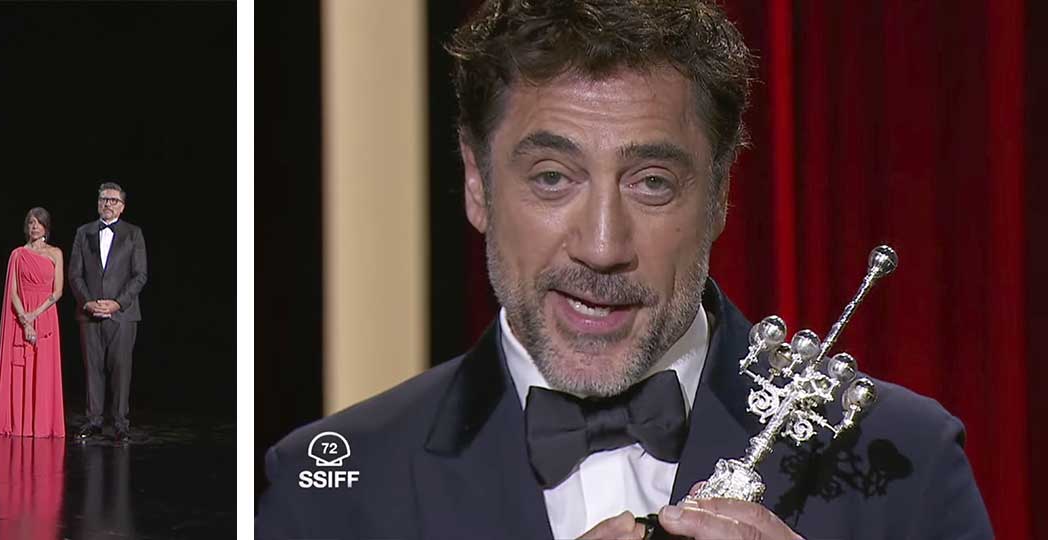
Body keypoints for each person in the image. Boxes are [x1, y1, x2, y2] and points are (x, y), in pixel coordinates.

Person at [256, 1, 993, 538]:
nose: (602, 247)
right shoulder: (330, 486)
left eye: (652, 183)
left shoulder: (904, 460)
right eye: (551, 178)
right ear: (477, 184)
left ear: (721, 195)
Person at [67, 182, 147, 443]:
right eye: (103, 199)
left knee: (121, 368)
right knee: (93, 368)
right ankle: (94, 420)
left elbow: (139, 275)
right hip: (89, 313)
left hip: (122, 314)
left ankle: (121, 423)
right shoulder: (83, 232)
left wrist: (116, 303)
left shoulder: (133, 233)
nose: (107, 204)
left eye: (113, 200)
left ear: (122, 207)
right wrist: (88, 302)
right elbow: (75, 273)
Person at [0, 207, 66, 438]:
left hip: (46, 314)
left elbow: (58, 291)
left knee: (44, 370)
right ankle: (20, 422)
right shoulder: (18, 254)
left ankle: (42, 423)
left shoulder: (55, 253)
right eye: (31, 222)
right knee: (21, 369)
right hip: (20, 316)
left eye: (39, 223)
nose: (34, 226)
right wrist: (25, 319)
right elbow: (12, 292)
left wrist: (36, 315)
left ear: (46, 227)